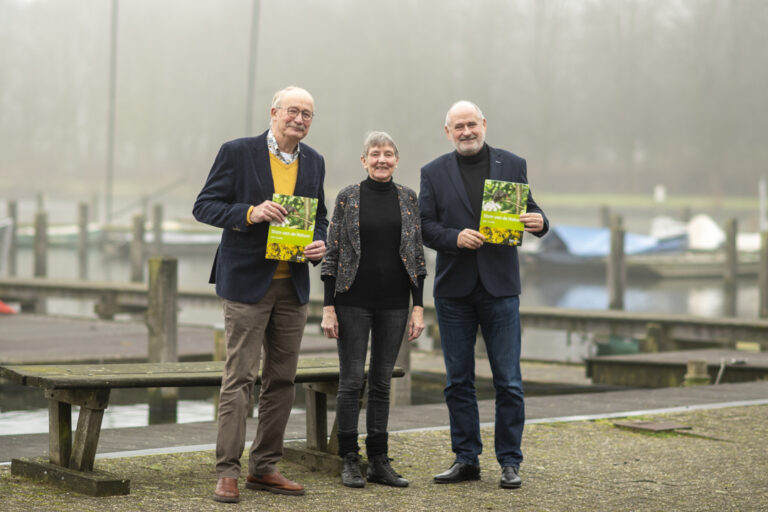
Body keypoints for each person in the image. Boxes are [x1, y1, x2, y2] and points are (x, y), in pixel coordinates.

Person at [193, 85, 328, 504]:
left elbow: (319, 217)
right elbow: (205, 206)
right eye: (293, 111)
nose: (299, 119)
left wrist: (320, 243)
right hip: (248, 285)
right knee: (240, 379)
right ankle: (227, 472)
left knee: (283, 379)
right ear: (274, 112)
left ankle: (265, 467)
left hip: (293, 284)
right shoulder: (237, 151)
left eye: (307, 113)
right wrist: (250, 213)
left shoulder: (315, 161)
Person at [419, 101, 548, 489]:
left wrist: (541, 223)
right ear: (448, 132)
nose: (466, 132)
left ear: (484, 125)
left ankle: (510, 461)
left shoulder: (513, 164)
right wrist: (454, 238)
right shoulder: (433, 172)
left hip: (501, 289)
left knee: (508, 380)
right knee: (458, 381)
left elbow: (532, 212)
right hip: (454, 290)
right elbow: (424, 227)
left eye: (471, 124)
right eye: (458, 126)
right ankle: (466, 458)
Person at [321, 131, 427, 489]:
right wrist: (328, 306)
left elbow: (416, 257)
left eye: (388, 154)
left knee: (381, 383)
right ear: (363, 160)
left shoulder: (408, 199)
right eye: (374, 154)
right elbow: (332, 254)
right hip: (352, 301)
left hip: (395, 304)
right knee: (351, 382)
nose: (382, 159)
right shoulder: (348, 197)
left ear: (397, 160)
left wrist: (418, 307)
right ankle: (349, 459)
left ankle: (379, 460)